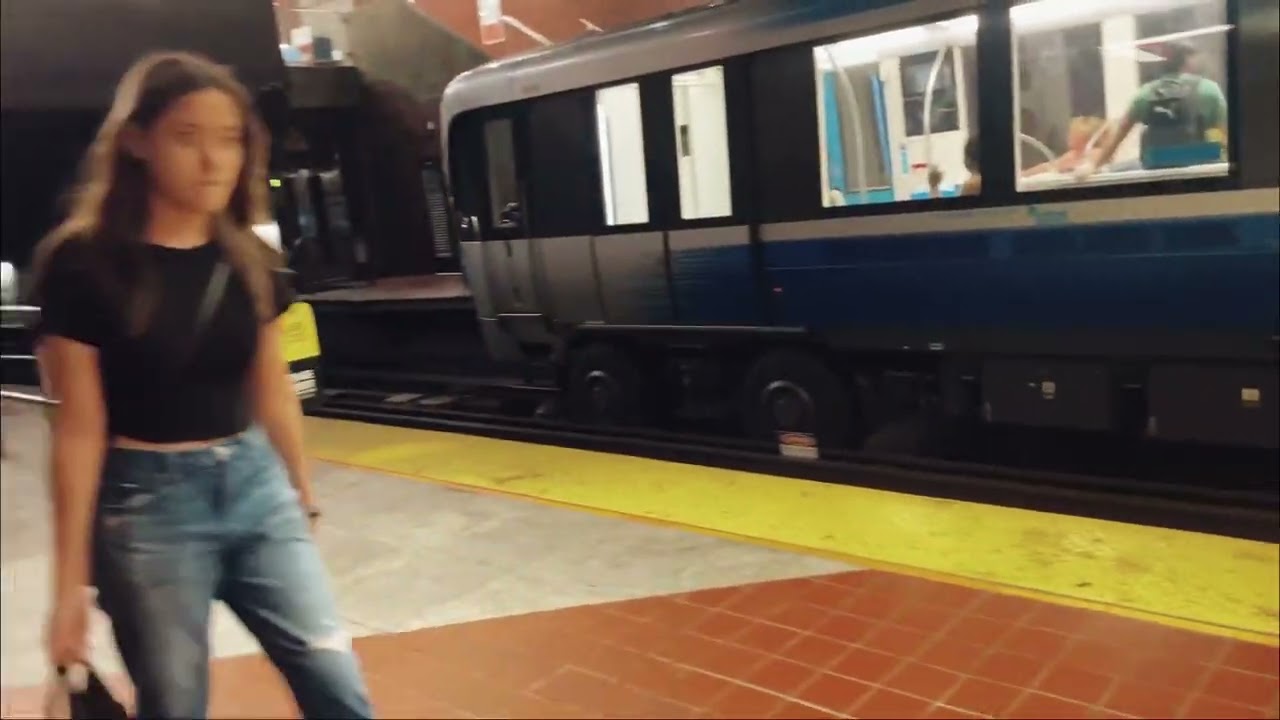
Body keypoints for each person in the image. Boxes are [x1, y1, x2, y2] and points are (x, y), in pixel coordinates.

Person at [33, 52, 373, 719]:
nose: (215, 160)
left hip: (255, 489)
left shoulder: (251, 258)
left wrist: (299, 492)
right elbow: (77, 430)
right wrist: (69, 587)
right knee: (176, 703)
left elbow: (271, 383)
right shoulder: (83, 263)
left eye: (230, 139)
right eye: (188, 138)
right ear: (136, 142)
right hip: (147, 507)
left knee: (336, 682)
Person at [1077, 41, 1227, 179]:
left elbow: (1118, 135)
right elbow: (1230, 135)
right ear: (1187, 61)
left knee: (1123, 167)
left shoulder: (1145, 93)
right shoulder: (1209, 89)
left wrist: (1093, 165)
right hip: (1201, 169)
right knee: (1215, 151)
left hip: (1156, 168)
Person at [1022, 115, 1112, 177]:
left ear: (1088, 138)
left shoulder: (1096, 153)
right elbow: (1047, 166)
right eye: (1070, 133)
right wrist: (1023, 175)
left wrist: (1063, 169)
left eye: (1074, 133)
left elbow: (1086, 168)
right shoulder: (1072, 154)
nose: (1069, 136)